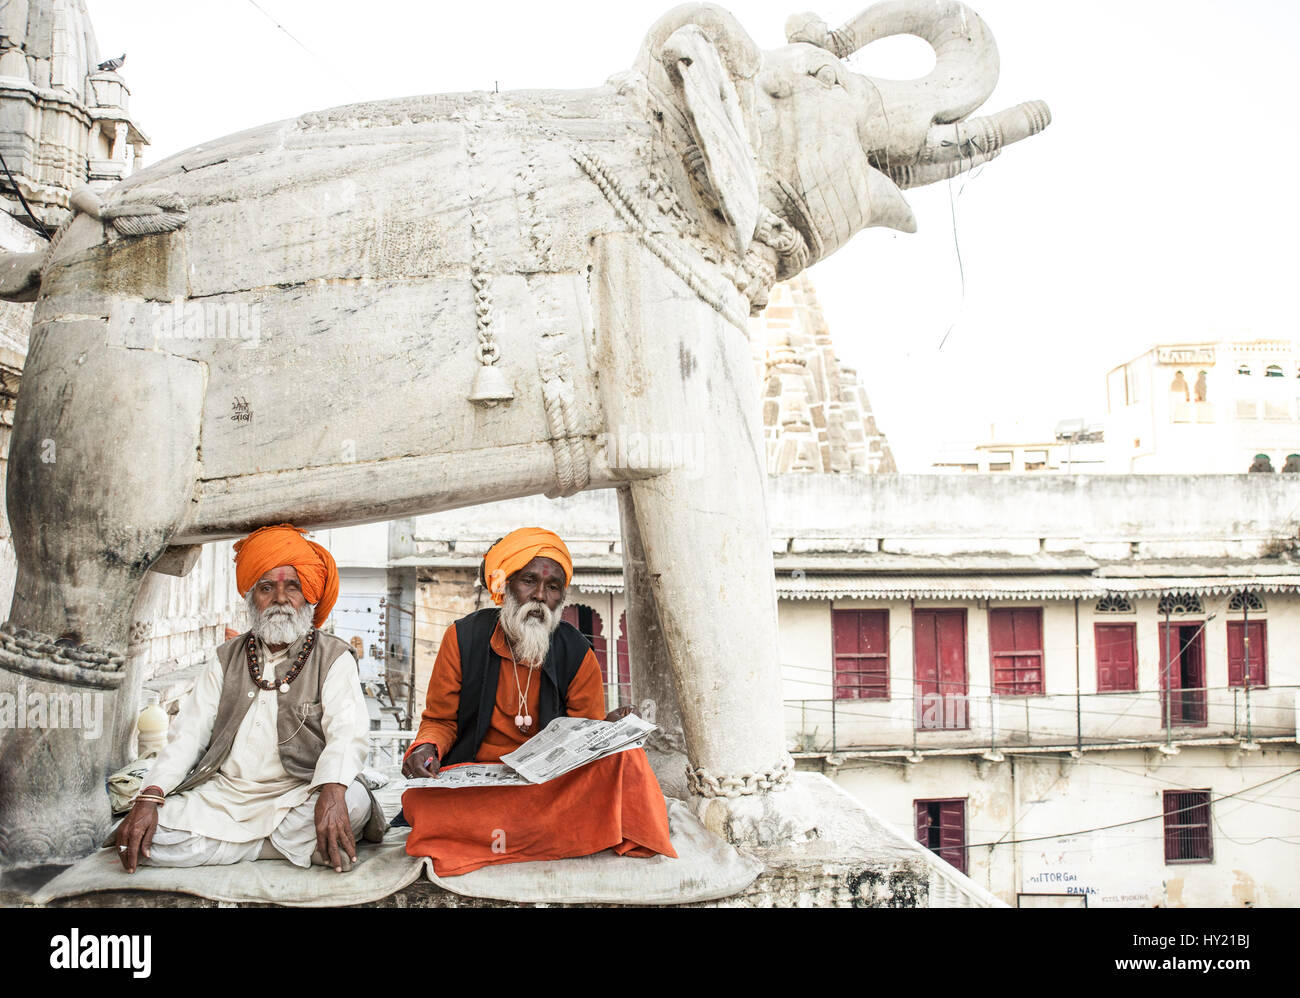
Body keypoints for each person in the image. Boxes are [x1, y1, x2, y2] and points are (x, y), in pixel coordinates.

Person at [400, 527, 676, 875]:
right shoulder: (462, 637)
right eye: (528, 581)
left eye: (553, 587)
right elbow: (440, 721)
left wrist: (609, 729)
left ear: (561, 598)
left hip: (548, 789)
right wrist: (425, 748)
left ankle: (504, 838)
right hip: (478, 787)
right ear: (504, 586)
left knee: (629, 760)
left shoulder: (576, 652)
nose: (540, 596)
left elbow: (584, 739)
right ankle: (562, 837)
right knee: (423, 802)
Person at [113, 523, 385, 874]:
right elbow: (189, 734)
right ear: (251, 598)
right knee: (153, 836)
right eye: (266, 587)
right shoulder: (226, 658)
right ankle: (279, 849)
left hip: (299, 794)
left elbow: (347, 733)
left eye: (293, 587)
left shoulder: (333, 657)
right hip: (224, 797)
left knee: (353, 802)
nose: (281, 599)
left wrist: (332, 791)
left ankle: (236, 846)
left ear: (309, 596)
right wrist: (151, 794)